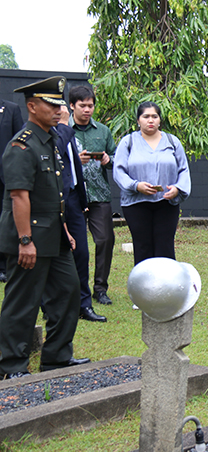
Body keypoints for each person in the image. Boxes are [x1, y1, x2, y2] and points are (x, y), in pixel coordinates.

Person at [0, 76, 91, 379]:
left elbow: (56, 192)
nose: (58, 109)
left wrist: (64, 228)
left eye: (59, 104)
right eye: (51, 104)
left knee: (68, 291)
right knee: (23, 302)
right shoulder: (21, 146)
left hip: (55, 234)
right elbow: (19, 196)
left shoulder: (50, 141)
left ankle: (57, 357)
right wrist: (25, 240)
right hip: (30, 237)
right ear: (31, 106)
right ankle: (12, 366)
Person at [114, 101, 191, 265]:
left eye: (154, 116)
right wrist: (135, 186)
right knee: (143, 247)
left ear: (160, 120)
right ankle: (143, 289)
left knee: (165, 247)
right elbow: (118, 171)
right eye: (146, 116)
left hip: (166, 204)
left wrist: (178, 188)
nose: (150, 120)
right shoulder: (128, 142)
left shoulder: (172, 141)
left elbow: (183, 169)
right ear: (138, 120)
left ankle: (167, 289)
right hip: (136, 204)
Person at [55, 106, 106, 322]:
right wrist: (63, 126)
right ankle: (55, 306)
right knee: (56, 256)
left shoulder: (66, 131)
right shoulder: (53, 132)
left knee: (82, 254)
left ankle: (84, 305)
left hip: (74, 196)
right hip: (54, 199)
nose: (60, 111)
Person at [68, 85, 116, 307]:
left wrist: (108, 160)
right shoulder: (62, 130)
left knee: (105, 240)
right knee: (74, 244)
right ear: (72, 106)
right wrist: (75, 160)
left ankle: (100, 288)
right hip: (73, 195)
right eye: (82, 106)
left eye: (91, 105)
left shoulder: (103, 131)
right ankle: (76, 288)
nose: (87, 110)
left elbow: (116, 157)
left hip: (99, 195)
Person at [0, 97, 24, 283]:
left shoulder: (11, 109)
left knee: (5, 220)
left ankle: (2, 265)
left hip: (5, 176)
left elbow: (19, 143)